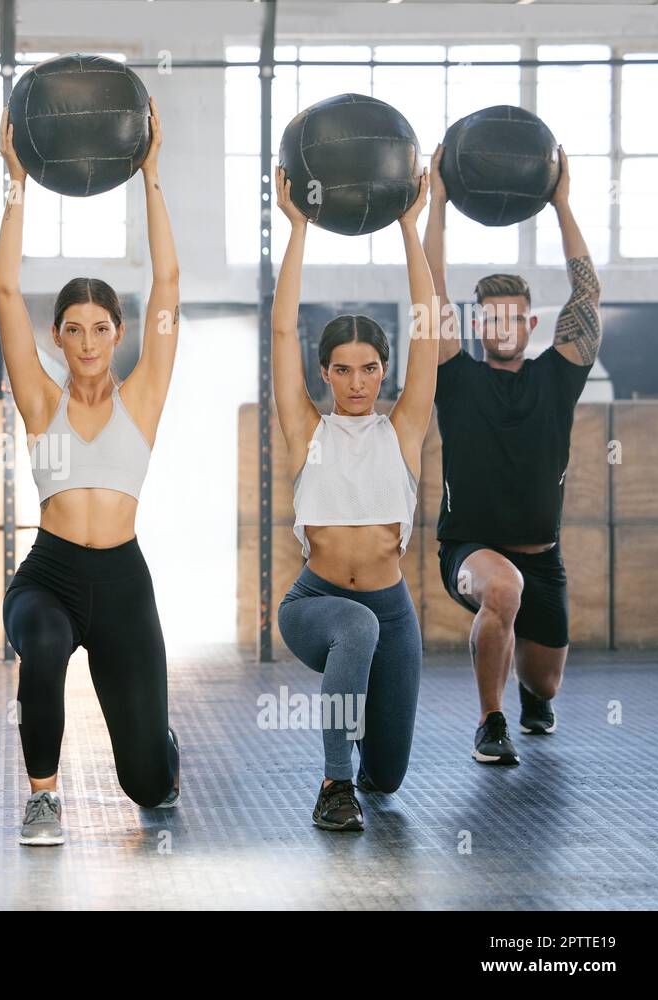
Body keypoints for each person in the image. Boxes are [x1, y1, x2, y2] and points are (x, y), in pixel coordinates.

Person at [0, 97, 181, 847]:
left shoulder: (144, 397)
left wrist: (151, 176)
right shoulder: (40, 402)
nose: (87, 339)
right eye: (73, 328)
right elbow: (5, 289)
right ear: (57, 336)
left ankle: (160, 756)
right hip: (51, 575)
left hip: (124, 584)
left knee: (148, 786)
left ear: (119, 333)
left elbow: (167, 285)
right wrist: (17, 183)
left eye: (100, 327)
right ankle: (43, 798)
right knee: (39, 646)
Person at [424, 145, 601, 765]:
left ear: (529, 325)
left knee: (545, 680)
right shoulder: (456, 375)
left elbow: (588, 295)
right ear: (477, 326)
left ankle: (528, 699)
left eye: (513, 317)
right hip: (469, 554)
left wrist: (561, 204)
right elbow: (430, 290)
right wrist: (438, 204)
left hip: (542, 559)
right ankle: (490, 723)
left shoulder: (558, 375)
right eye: (490, 316)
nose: (501, 325)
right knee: (502, 589)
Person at [274, 165, 436, 832]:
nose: (357, 380)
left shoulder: (403, 429)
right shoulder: (306, 430)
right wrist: (298, 228)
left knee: (390, 777)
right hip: (315, 605)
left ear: (384, 370)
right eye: (342, 368)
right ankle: (333, 785)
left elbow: (427, 329)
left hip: (391, 612)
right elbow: (282, 333)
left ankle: (363, 763)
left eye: (370, 367)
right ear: (325, 373)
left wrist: (410, 226)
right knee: (354, 627)